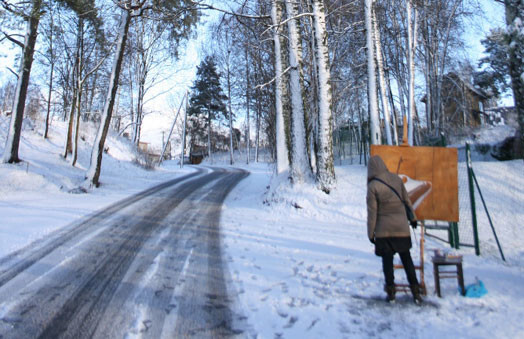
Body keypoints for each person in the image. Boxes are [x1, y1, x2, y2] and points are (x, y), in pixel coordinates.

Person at [366, 155, 423, 304]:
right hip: (401, 227)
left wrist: (370, 233)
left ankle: (391, 292)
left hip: (384, 230)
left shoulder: (372, 186)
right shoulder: (396, 180)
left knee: (387, 262)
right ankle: (415, 290)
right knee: (407, 259)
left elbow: (372, 212)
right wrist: (413, 218)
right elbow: (406, 200)